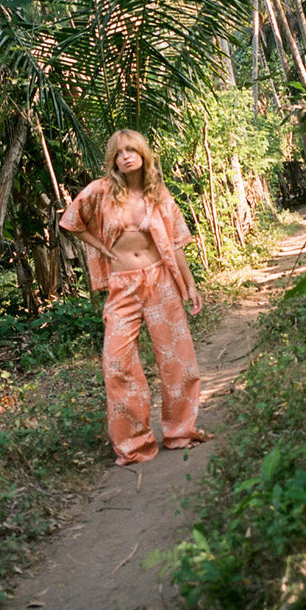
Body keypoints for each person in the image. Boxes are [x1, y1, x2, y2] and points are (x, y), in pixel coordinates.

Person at [59, 129, 211, 466]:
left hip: (160, 281)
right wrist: (97, 246)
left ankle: (180, 431)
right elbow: (70, 221)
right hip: (122, 285)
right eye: (118, 152)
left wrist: (190, 285)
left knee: (177, 361)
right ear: (113, 159)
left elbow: (174, 244)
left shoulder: (158, 194)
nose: (125, 156)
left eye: (132, 150)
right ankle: (134, 444)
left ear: (144, 154)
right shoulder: (100, 191)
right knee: (117, 363)